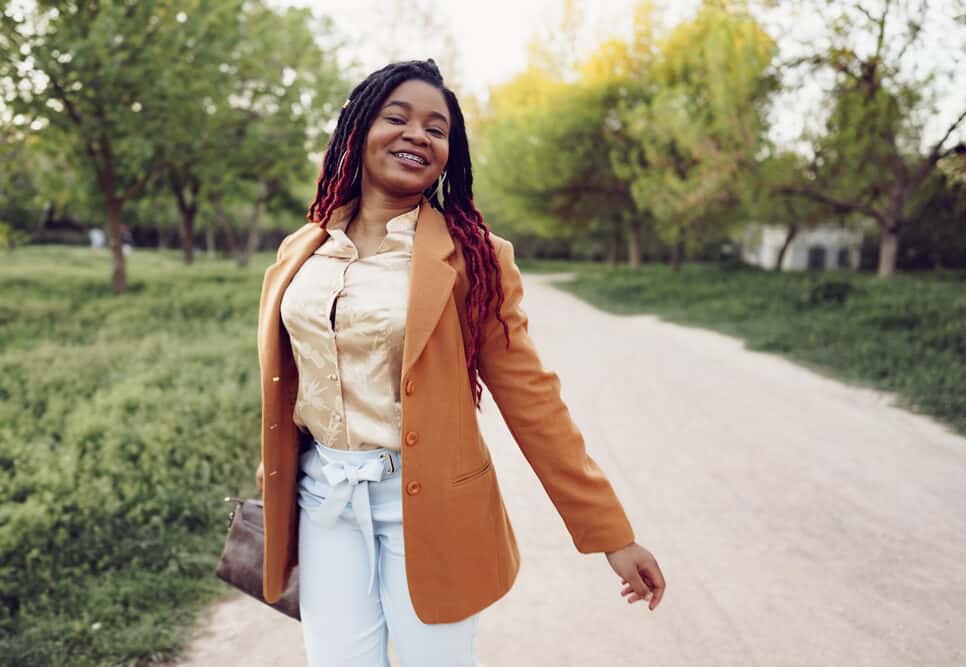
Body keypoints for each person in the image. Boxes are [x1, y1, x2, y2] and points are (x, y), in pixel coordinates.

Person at [254, 59, 664, 666]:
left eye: (436, 128)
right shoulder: (303, 249)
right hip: (324, 501)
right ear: (358, 127)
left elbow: (533, 400)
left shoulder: (473, 259)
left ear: (450, 153)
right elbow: (292, 385)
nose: (417, 134)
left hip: (425, 503)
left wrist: (610, 532)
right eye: (397, 117)